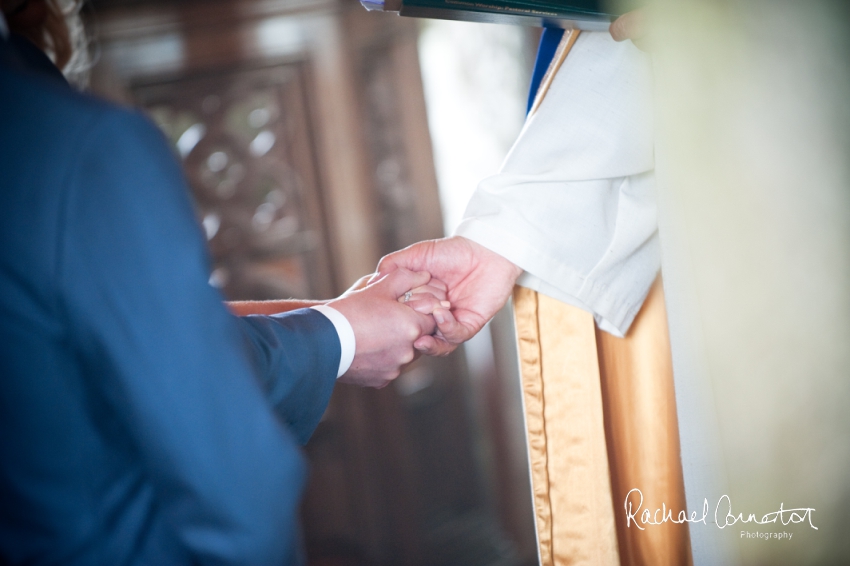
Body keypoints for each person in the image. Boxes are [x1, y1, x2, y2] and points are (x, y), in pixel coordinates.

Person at [0, 3, 445, 563]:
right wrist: (340, 334)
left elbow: (104, 348)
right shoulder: (74, 146)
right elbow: (236, 489)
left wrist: (341, 316)